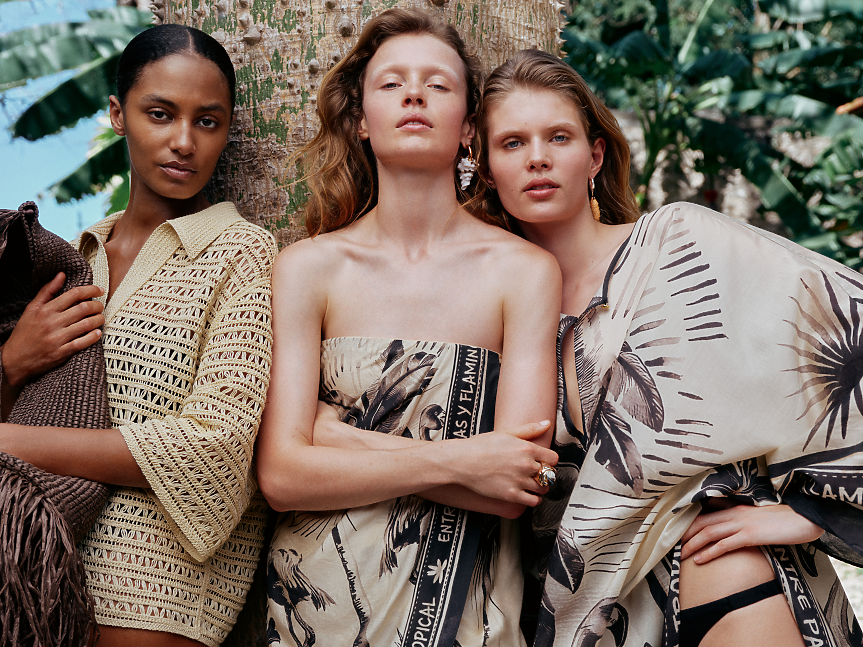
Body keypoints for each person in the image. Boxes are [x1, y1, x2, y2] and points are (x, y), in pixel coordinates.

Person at [475, 49, 863, 647]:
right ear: (484, 167)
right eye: (512, 143)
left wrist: (811, 515)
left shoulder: (677, 244)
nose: (538, 158)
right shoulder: (485, 309)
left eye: (559, 137)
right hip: (589, 619)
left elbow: (847, 329)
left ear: (595, 155)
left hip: (725, 582)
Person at [255, 9, 561, 647]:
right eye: (392, 83)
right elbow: (282, 478)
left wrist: (335, 440)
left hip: (471, 619)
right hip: (318, 608)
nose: (415, 94)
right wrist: (460, 459)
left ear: (469, 127)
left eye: (438, 84)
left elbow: (514, 484)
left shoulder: (524, 271)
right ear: (362, 121)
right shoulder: (308, 268)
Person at [0, 25, 277, 647]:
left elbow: (216, 445)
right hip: (31, 585)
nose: (184, 141)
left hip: (152, 602)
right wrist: (10, 365)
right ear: (117, 115)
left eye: (208, 121)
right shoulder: (69, 257)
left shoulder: (240, 253)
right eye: (160, 114)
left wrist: (9, 440)